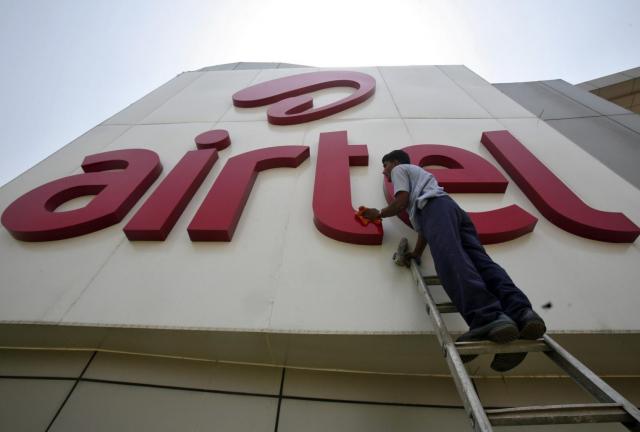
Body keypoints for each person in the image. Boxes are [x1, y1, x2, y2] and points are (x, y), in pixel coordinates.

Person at [363, 150, 546, 372]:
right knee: (482, 264)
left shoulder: (401, 169)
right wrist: (418, 252)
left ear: (394, 162)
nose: (384, 171)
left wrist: (378, 213)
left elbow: (400, 202)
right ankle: (522, 313)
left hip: (435, 210)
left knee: (450, 259)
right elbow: (424, 229)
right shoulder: (422, 183)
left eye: (385, 165)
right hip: (451, 210)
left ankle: (486, 317)